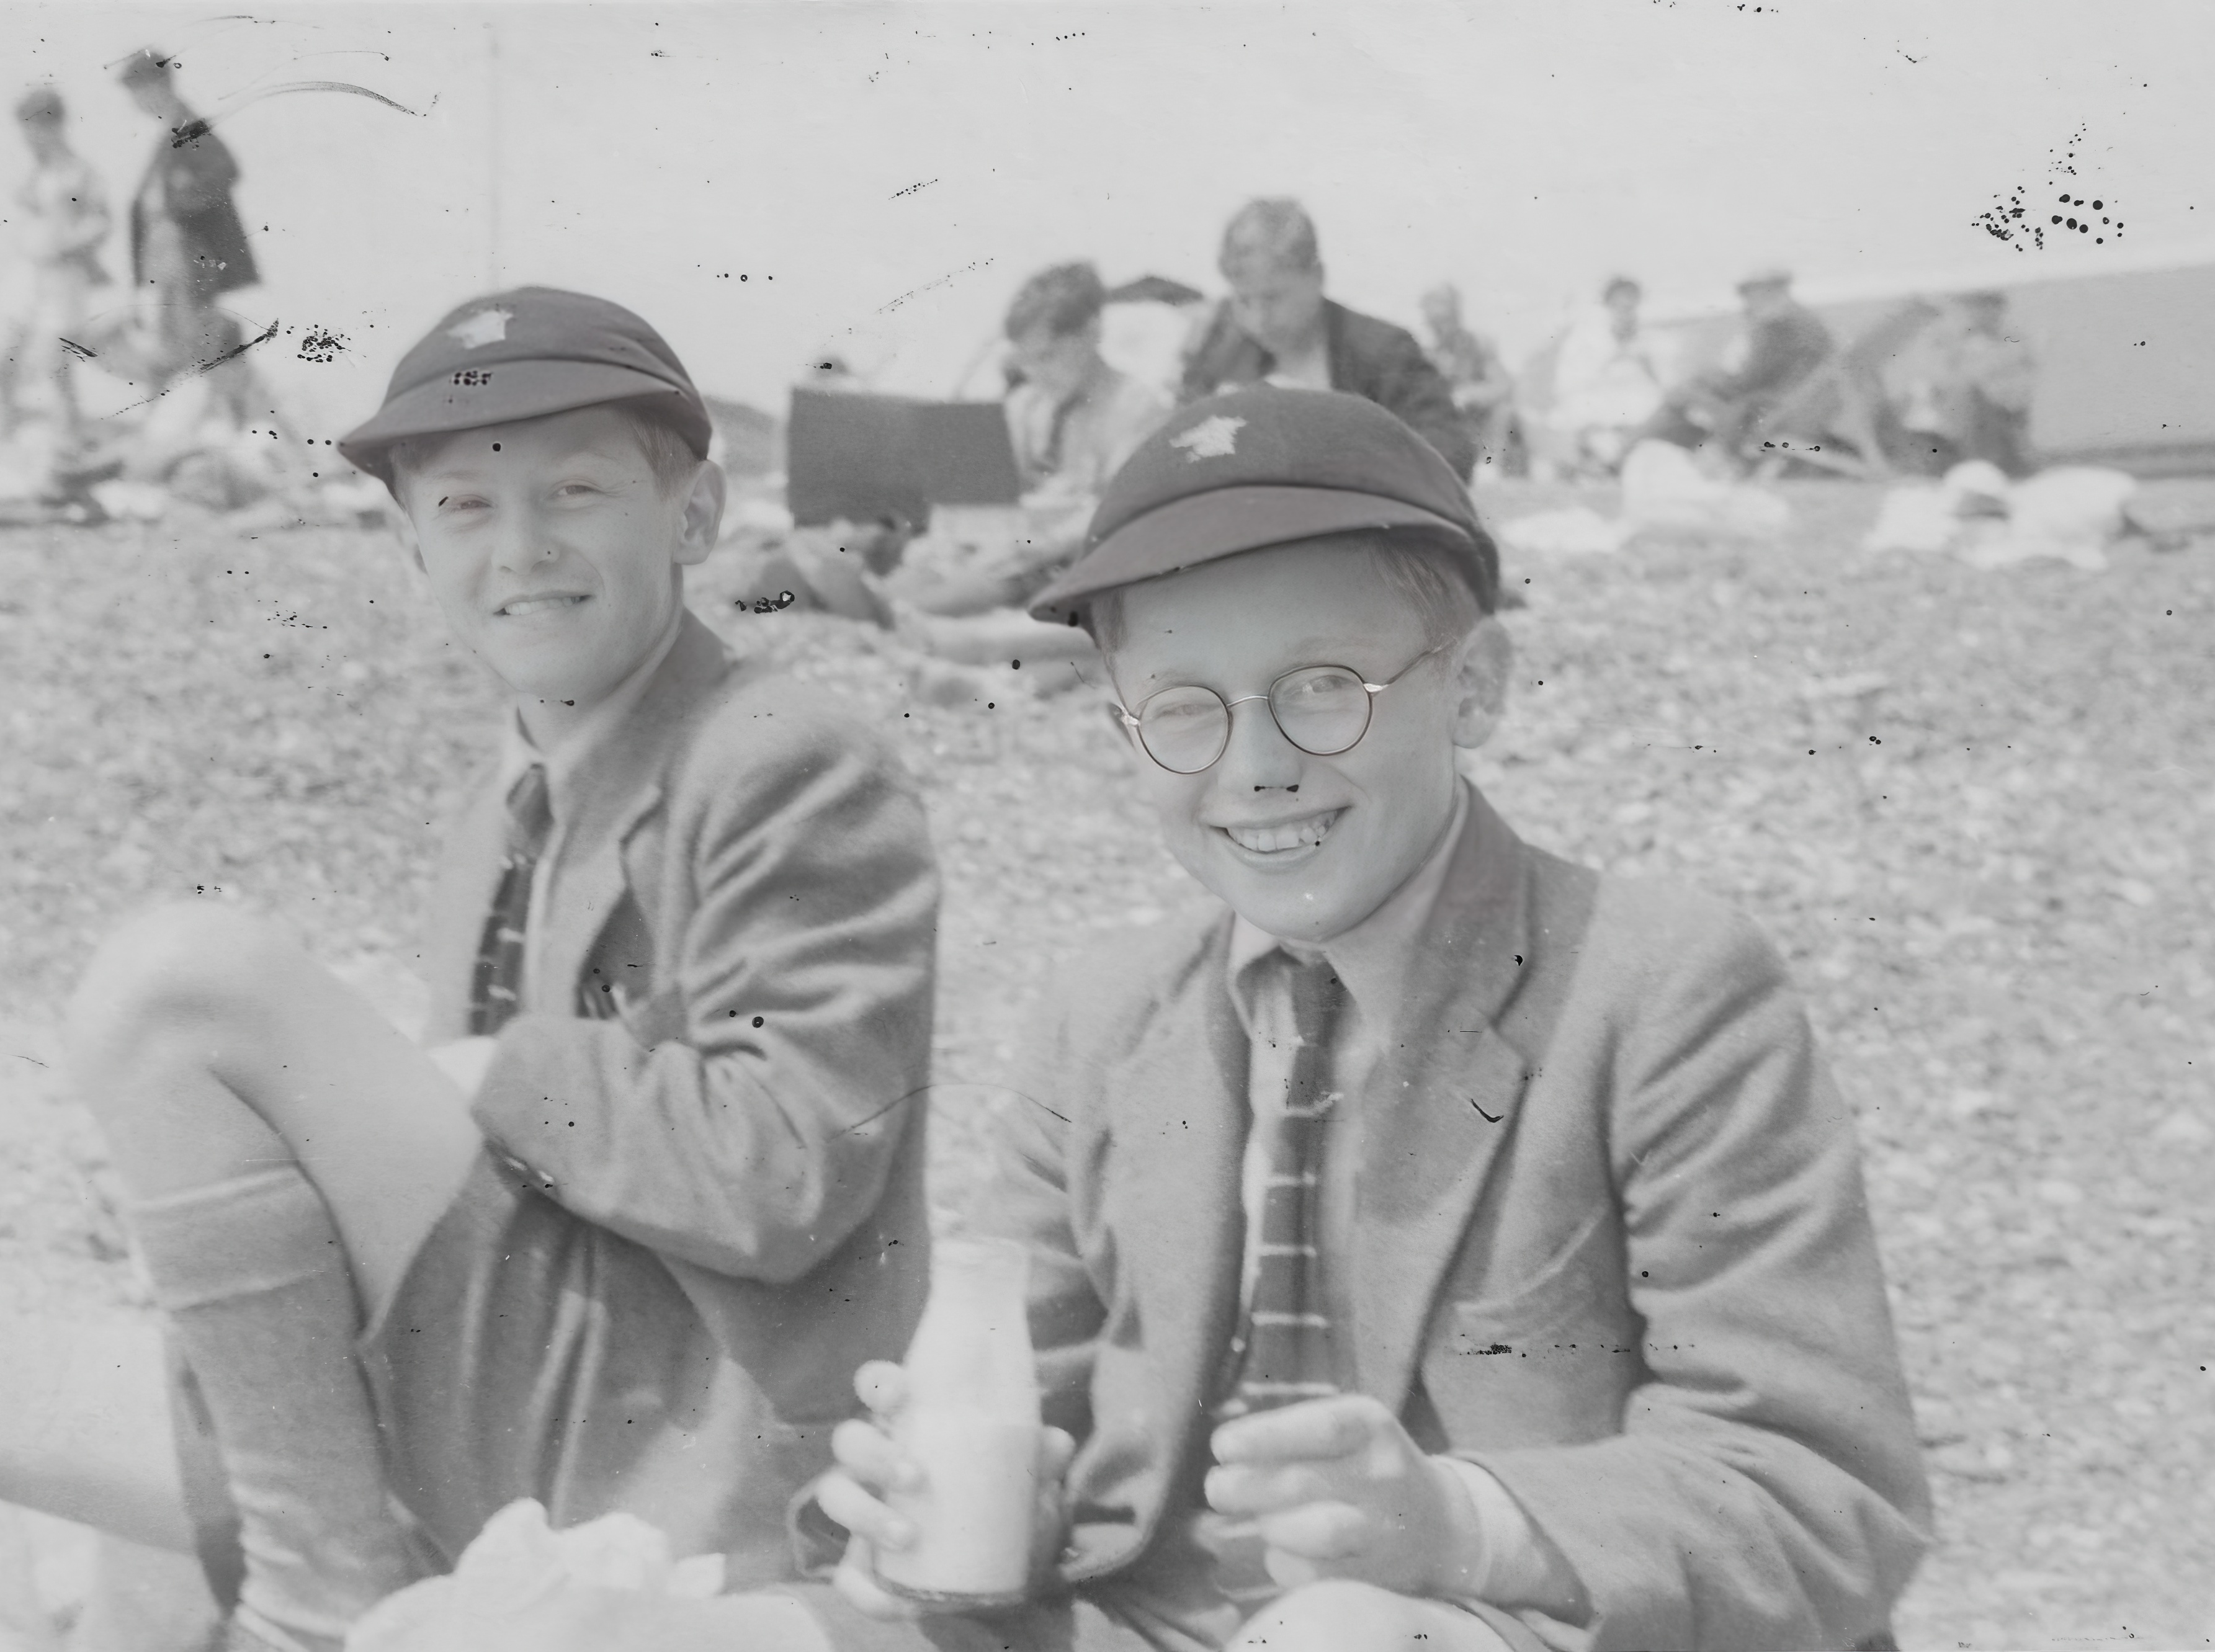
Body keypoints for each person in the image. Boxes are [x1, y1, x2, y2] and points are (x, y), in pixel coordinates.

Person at [530, 387, 1931, 1652]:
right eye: (1183, 709)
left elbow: (1821, 1487)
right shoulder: (1102, 1017)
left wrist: (1452, 1521)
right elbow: (1040, 1421)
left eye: (1322, 690)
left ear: (1475, 687)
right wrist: (937, 1499)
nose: (1255, 767)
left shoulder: (1654, 985)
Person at [0, 289, 940, 1652]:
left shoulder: (775, 755)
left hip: (675, 1461)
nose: (520, 546)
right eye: (464, 507)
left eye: (575, 491)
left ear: (693, 515)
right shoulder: (500, 808)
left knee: (178, 988)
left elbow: (789, 1169)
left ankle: (313, 1603)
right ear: (411, 547)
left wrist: (481, 1068)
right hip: (496, 1405)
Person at [887, 261, 1170, 702]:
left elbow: (1120, 508)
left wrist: (1039, 544)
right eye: (1025, 361)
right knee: (929, 571)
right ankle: (912, 624)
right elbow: (993, 491)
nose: (1037, 373)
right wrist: (961, 531)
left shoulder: (1136, 407)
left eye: (1049, 356)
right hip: (1016, 554)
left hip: (1080, 559)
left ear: (1092, 332)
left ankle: (953, 646)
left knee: (1088, 616)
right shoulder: (1026, 405)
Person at [1179, 199, 1477, 478]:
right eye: (1244, 301)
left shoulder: (1383, 350)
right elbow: (1178, 439)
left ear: (1317, 277)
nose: (1259, 320)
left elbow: (1452, 449)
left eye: (1273, 299)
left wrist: (1335, 443)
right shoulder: (1221, 350)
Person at [118, 49, 259, 387]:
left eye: (139, 90)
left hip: (186, 252)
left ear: (160, 85)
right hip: (166, 254)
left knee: (194, 336)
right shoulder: (169, 129)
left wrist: (179, 206)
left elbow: (225, 170)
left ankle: (235, 402)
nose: (136, 101)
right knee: (178, 336)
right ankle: (223, 402)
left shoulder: (187, 125)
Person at [0, 84, 114, 435]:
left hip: (64, 277)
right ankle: (4, 432)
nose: (28, 138)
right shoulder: (36, 172)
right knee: (1, 358)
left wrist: (69, 245)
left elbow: (103, 222)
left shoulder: (81, 173)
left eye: (33, 128)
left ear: (54, 127)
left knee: (55, 367)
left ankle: (68, 441)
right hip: (27, 274)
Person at [1627, 266, 1833, 467]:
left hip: (1766, 412)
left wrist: (1711, 378)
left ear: (1777, 292)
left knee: (1681, 396)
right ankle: (1635, 447)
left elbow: (1748, 382)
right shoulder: (1806, 323)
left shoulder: (1778, 327)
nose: (1750, 303)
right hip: (1791, 408)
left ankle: (1629, 450)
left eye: (1755, 295)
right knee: (1688, 395)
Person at [1896, 290, 2039, 476]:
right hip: (1960, 411)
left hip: (1999, 408)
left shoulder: (2013, 339)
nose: (1981, 313)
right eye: (1974, 307)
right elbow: (1940, 376)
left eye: (1988, 307)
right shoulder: (1955, 341)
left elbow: (2020, 381)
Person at [1546, 275, 1675, 476]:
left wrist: (1642, 359)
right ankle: (1603, 459)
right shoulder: (1586, 337)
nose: (1626, 314)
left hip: (1635, 403)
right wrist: (1613, 354)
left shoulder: (1648, 338)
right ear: (1608, 307)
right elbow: (1570, 381)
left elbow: (1664, 383)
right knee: (1584, 418)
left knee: (1654, 413)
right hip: (1596, 399)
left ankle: (1619, 457)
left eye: (1631, 307)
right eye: (1620, 307)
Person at [1417, 284, 1519, 479]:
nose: (1441, 326)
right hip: (1440, 420)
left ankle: (1489, 466)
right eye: (1435, 320)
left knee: (1503, 410)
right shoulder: (1423, 352)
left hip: (1473, 419)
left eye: (1446, 318)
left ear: (1456, 315)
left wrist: (1470, 394)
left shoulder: (1477, 344)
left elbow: (1502, 386)